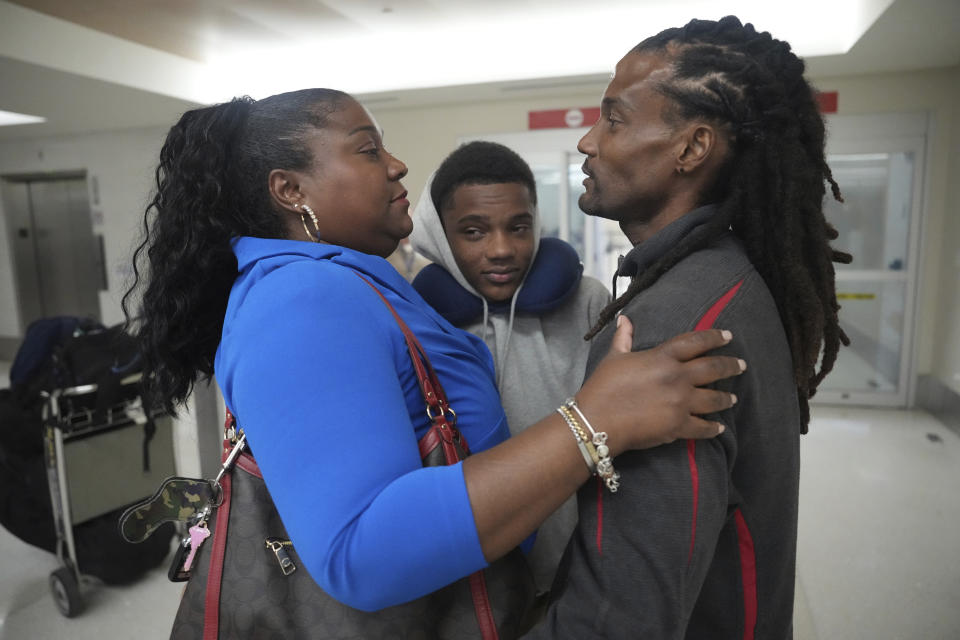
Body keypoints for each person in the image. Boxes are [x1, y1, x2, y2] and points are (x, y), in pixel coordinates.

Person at [124, 87, 744, 636]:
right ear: (291, 191)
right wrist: (592, 422)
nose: (396, 165)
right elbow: (361, 552)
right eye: (368, 150)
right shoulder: (303, 297)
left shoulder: (348, 284)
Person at [526, 16, 851, 640]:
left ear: (692, 148)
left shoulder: (671, 332)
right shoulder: (728, 277)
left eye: (613, 119)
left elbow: (621, 618)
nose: (587, 143)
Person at [409, 140, 610, 594]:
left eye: (518, 227)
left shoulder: (588, 302)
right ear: (440, 235)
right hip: (468, 569)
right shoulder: (416, 322)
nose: (502, 249)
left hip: (578, 562)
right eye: (474, 232)